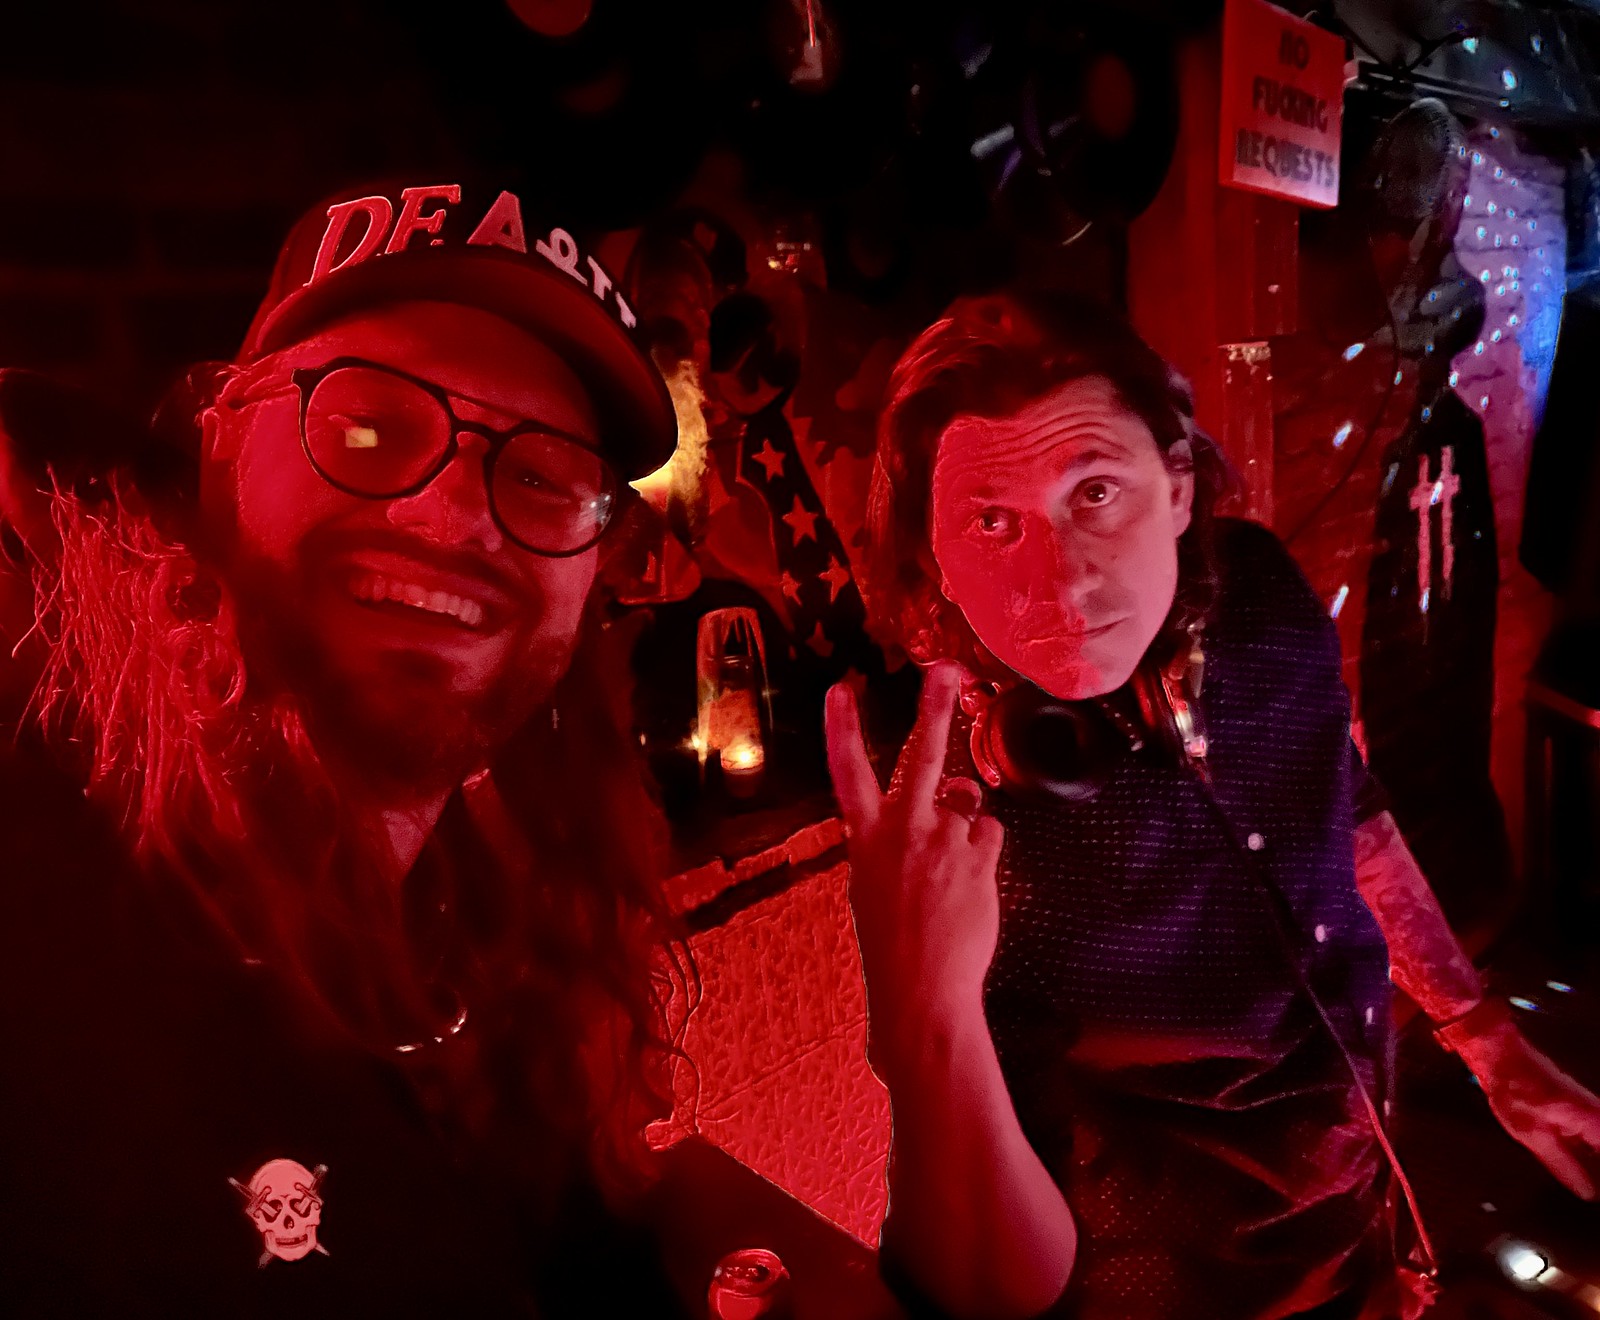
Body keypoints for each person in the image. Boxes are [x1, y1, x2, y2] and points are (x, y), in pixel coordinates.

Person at [824, 291, 1600, 1320]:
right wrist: (925, 1020)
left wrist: (1484, 1040)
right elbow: (990, 1294)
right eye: (991, 521)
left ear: (1179, 487)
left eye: (1095, 492)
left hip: (1370, 1234)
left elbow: (1347, 808)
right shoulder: (943, 808)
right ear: (935, 560)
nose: (1061, 585)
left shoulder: (1259, 597)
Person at [0, 182, 696, 1316]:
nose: (452, 517)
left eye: (540, 476)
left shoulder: (509, 953)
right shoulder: (58, 893)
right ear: (220, 445)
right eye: (366, 427)